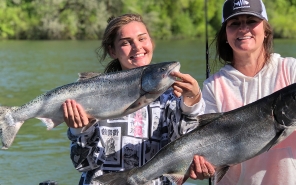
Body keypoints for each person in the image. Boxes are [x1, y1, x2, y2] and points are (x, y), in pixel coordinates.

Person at [62, 13, 203, 185]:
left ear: (151, 42)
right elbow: (83, 164)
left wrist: (191, 105)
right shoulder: (94, 97)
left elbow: (185, 153)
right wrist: (79, 131)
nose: (137, 47)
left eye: (142, 39)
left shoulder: (173, 96)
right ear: (112, 50)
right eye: (126, 42)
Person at [189, 0, 296, 184]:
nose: (243, 28)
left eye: (251, 20)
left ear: (266, 30)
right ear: (225, 34)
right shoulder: (213, 86)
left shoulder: (291, 69)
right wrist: (203, 166)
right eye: (235, 23)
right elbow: (207, 155)